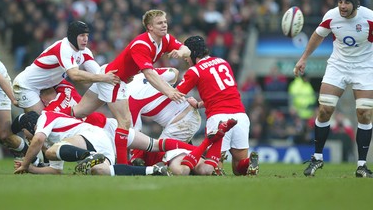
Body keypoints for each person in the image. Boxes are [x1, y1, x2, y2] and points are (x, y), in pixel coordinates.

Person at [66, 10, 190, 164]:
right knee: (125, 122)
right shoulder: (141, 44)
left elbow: (186, 49)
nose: (164, 25)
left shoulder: (165, 39)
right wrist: (169, 91)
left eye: (165, 22)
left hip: (109, 73)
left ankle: (50, 120)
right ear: (150, 27)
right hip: (114, 80)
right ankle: (123, 165)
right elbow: (149, 74)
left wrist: (180, 51)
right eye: (160, 23)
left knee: (77, 112)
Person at [294, 0, 373, 178]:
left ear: (356, 4)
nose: (342, 6)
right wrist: (304, 58)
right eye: (340, 2)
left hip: (364, 67)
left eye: (346, 3)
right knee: (324, 109)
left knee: (364, 113)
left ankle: (361, 165)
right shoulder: (332, 16)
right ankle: (317, 158)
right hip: (338, 65)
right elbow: (317, 36)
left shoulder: (369, 18)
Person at [172, 35, 259, 176]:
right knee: (239, 168)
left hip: (219, 119)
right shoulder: (222, 62)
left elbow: (175, 93)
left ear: (193, 53)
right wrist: (199, 104)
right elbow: (220, 94)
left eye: (186, 56)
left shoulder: (195, 71)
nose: (186, 59)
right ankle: (249, 163)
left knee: (213, 168)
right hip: (240, 116)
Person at [13, 111, 195, 175]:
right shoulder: (55, 138)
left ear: (30, 124)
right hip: (103, 139)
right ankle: (153, 171)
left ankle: (89, 156)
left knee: (52, 150)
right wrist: (31, 169)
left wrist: (26, 163)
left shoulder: (45, 116)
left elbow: (37, 139)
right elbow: (56, 170)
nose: (25, 135)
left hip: (96, 134)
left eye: (24, 130)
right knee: (101, 171)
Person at [12, 20, 120, 114]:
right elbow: (74, 75)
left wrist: (119, 76)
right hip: (27, 86)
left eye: (87, 35)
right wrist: (105, 78)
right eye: (82, 35)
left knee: (56, 121)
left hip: (47, 86)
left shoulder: (84, 52)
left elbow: (98, 72)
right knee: (39, 125)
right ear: (73, 36)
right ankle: (20, 122)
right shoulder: (63, 48)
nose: (86, 39)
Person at [90, 118, 237, 176]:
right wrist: (199, 151)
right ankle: (220, 135)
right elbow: (167, 143)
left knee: (181, 172)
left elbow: (136, 163)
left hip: (173, 157)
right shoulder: (144, 143)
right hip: (186, 154)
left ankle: (209, 141)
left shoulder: (138, 148)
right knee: (206, 170)